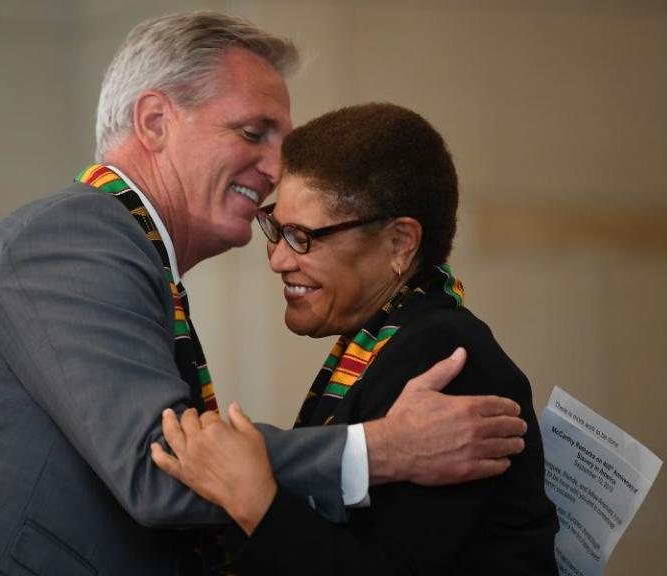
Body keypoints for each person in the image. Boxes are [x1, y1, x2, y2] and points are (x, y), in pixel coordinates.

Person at [0, 14, 528, 576]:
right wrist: (377, 450)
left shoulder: (118, 250)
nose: (277, 170)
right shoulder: (74, 239)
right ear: (157, 123)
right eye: (254, 133)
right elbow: (160, 468)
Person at [152, 103, 560, 574]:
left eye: (303, 236)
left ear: (399, 243)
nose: (279, 259)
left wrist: (255, 500)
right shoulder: (393, 338)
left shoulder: (445, 360)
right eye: (276, 229)